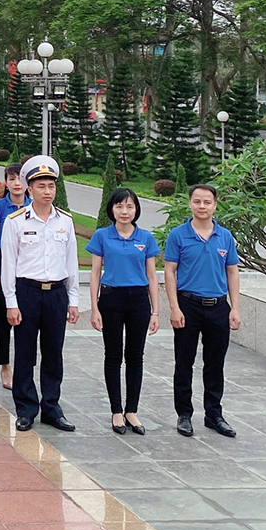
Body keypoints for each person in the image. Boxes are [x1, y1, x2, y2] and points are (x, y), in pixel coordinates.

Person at [0, 156, 79, 433]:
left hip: (56, 293)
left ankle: (52, 407)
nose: (47, 191)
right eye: (41, 186)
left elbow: (71, 262)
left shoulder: (64, 221)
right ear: (29, 189)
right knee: (25, 352)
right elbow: (8, 265)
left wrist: (73, 299)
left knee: (53, 352)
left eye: (51, 186)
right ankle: (26, 409)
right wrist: (11, 302)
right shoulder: (15, 221)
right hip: (27, 292)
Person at [164, 184, 241, 439]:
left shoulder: (225, 236)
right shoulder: (178, 235)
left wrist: (235, 308)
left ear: (215, 205)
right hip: (188, 305)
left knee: (215, 364)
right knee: (184, 362)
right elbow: (170, 272)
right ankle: (184, 414)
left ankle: (214, 414)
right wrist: (174, 307)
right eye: (197, 201)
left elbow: (232, 272)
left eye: (207, 202)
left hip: (218, 306)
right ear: (190, 204)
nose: (202, 206)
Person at [88, 187, 160, 436]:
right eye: (119, 206)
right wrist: (94, 307)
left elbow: (152, 276)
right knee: (113, 355)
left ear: (136, 209)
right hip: (111, 298)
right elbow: (95, 274)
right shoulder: (102, 236)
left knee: (135, 356)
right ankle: (116, 410)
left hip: (138, 299)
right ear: (112, 209)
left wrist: (155, 311)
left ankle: (132, 410)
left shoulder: (146, 238)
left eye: (129, 206)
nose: (124, 211)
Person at [0, 163, 29, 389]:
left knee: (26, 318)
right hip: (4, 261)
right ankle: (5, 365)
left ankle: (24, 367)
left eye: (20, 179)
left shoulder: (33, 205)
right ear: (6, 183)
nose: (17, 183)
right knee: (3, 318)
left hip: (28, 262)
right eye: (12, 179)